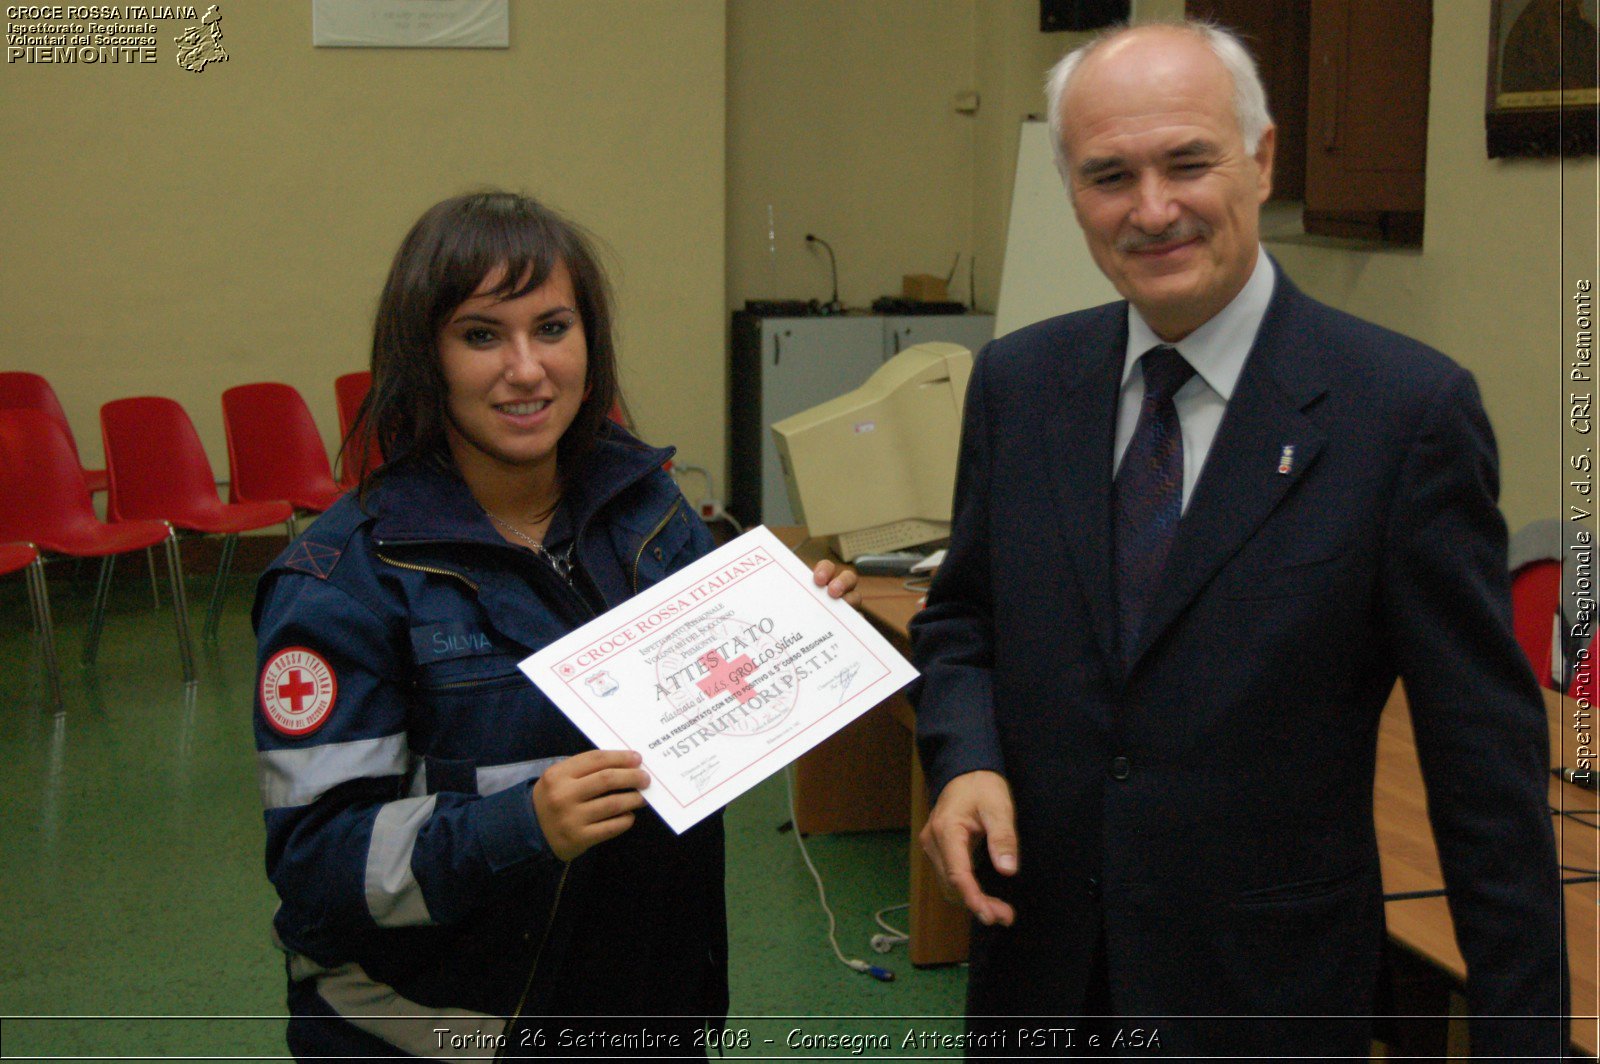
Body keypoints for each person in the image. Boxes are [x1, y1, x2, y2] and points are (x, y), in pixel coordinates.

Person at [911, 21, 1566, 1057]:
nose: (1152, 207)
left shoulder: (1400, 415)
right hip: (1039, 977)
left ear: (1259, 160)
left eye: (1186, 162)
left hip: (1265, 997)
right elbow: (962, 619)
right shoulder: (1019, 385)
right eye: (1108, 175)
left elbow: (1484, 775)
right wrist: (966, 757)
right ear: (1071, 194)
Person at [252, 191, 857, 1059]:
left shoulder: (650, 511)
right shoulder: (343, 583)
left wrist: (800, 634)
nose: (528, 369)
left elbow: (708, 725)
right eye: (482, 335)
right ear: (425, 356)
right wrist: (520, 825)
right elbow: (317, 867)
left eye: (553, 327)